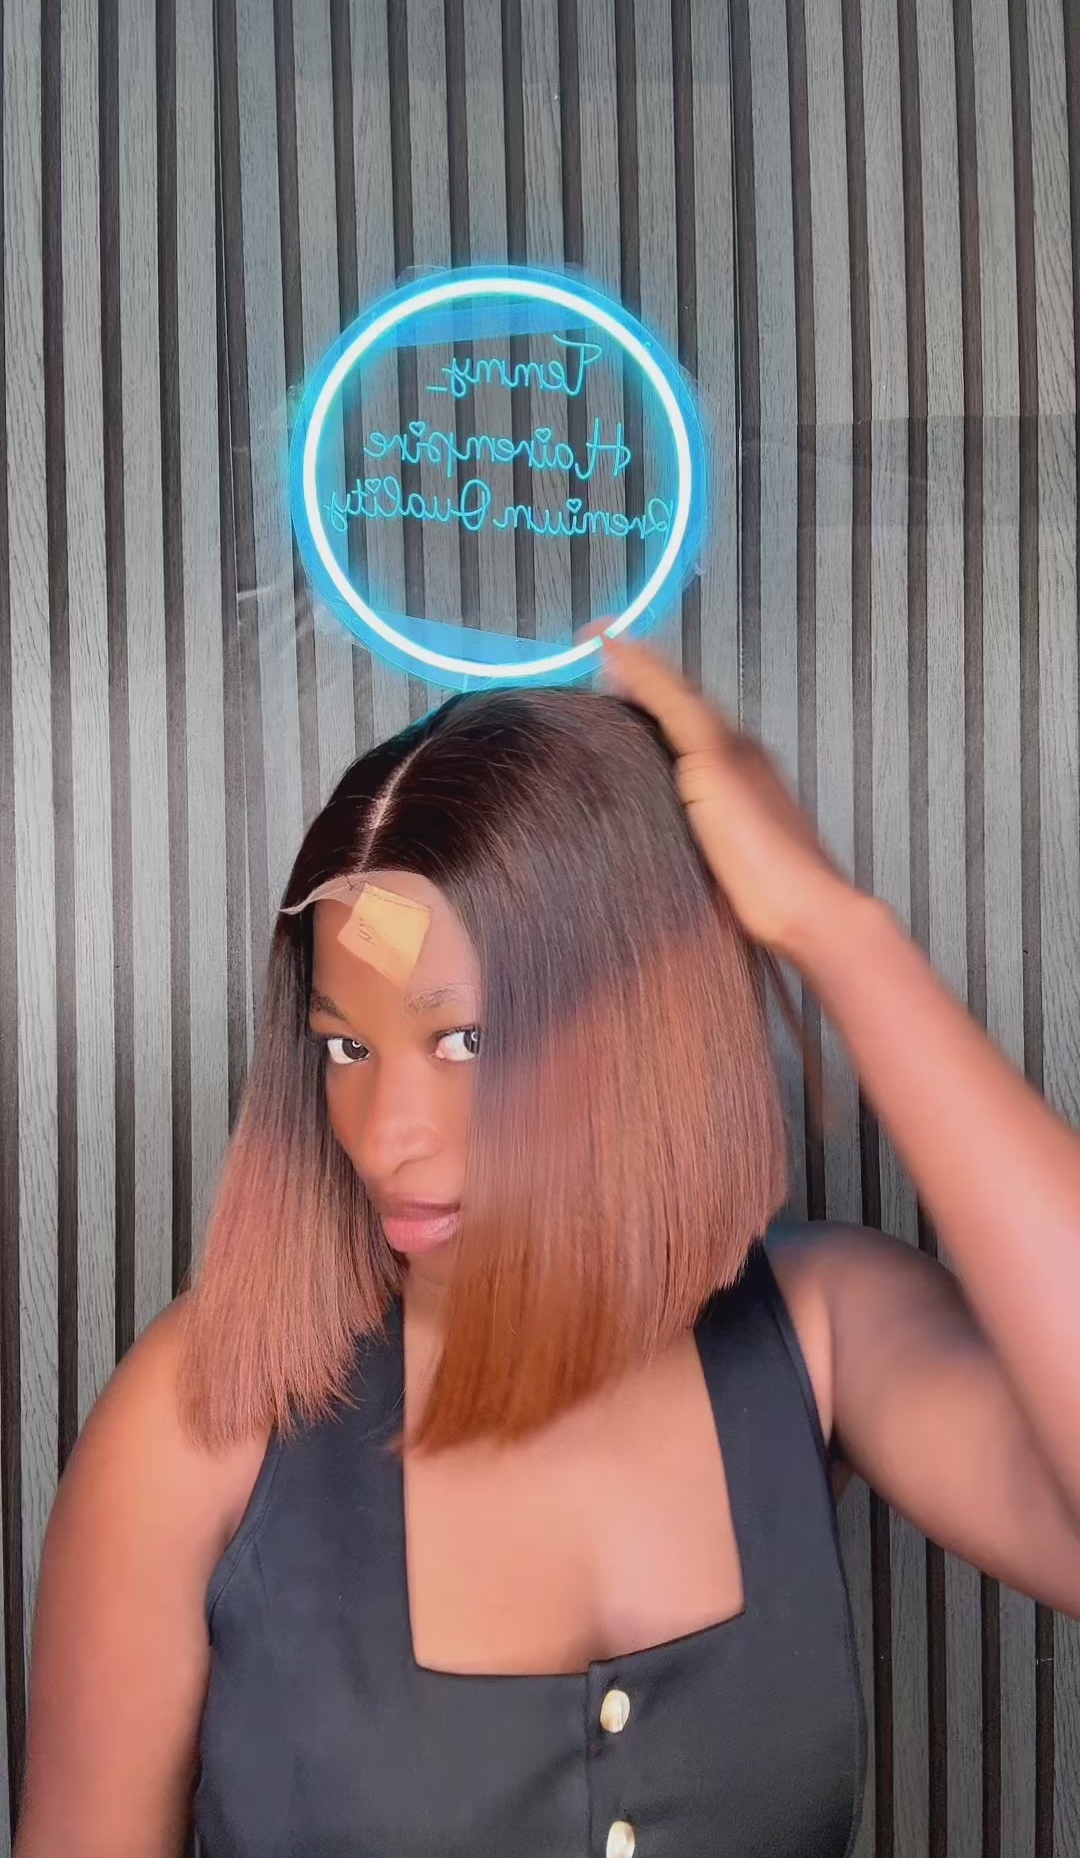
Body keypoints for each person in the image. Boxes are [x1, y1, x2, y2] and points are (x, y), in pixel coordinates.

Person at [15, 639, 1080, 1858]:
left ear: (641, 1027)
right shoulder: (203, 1420)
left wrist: (839, 932)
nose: (387, 1137)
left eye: (463, 1041)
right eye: (348, 1048)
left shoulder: (824, 1331)